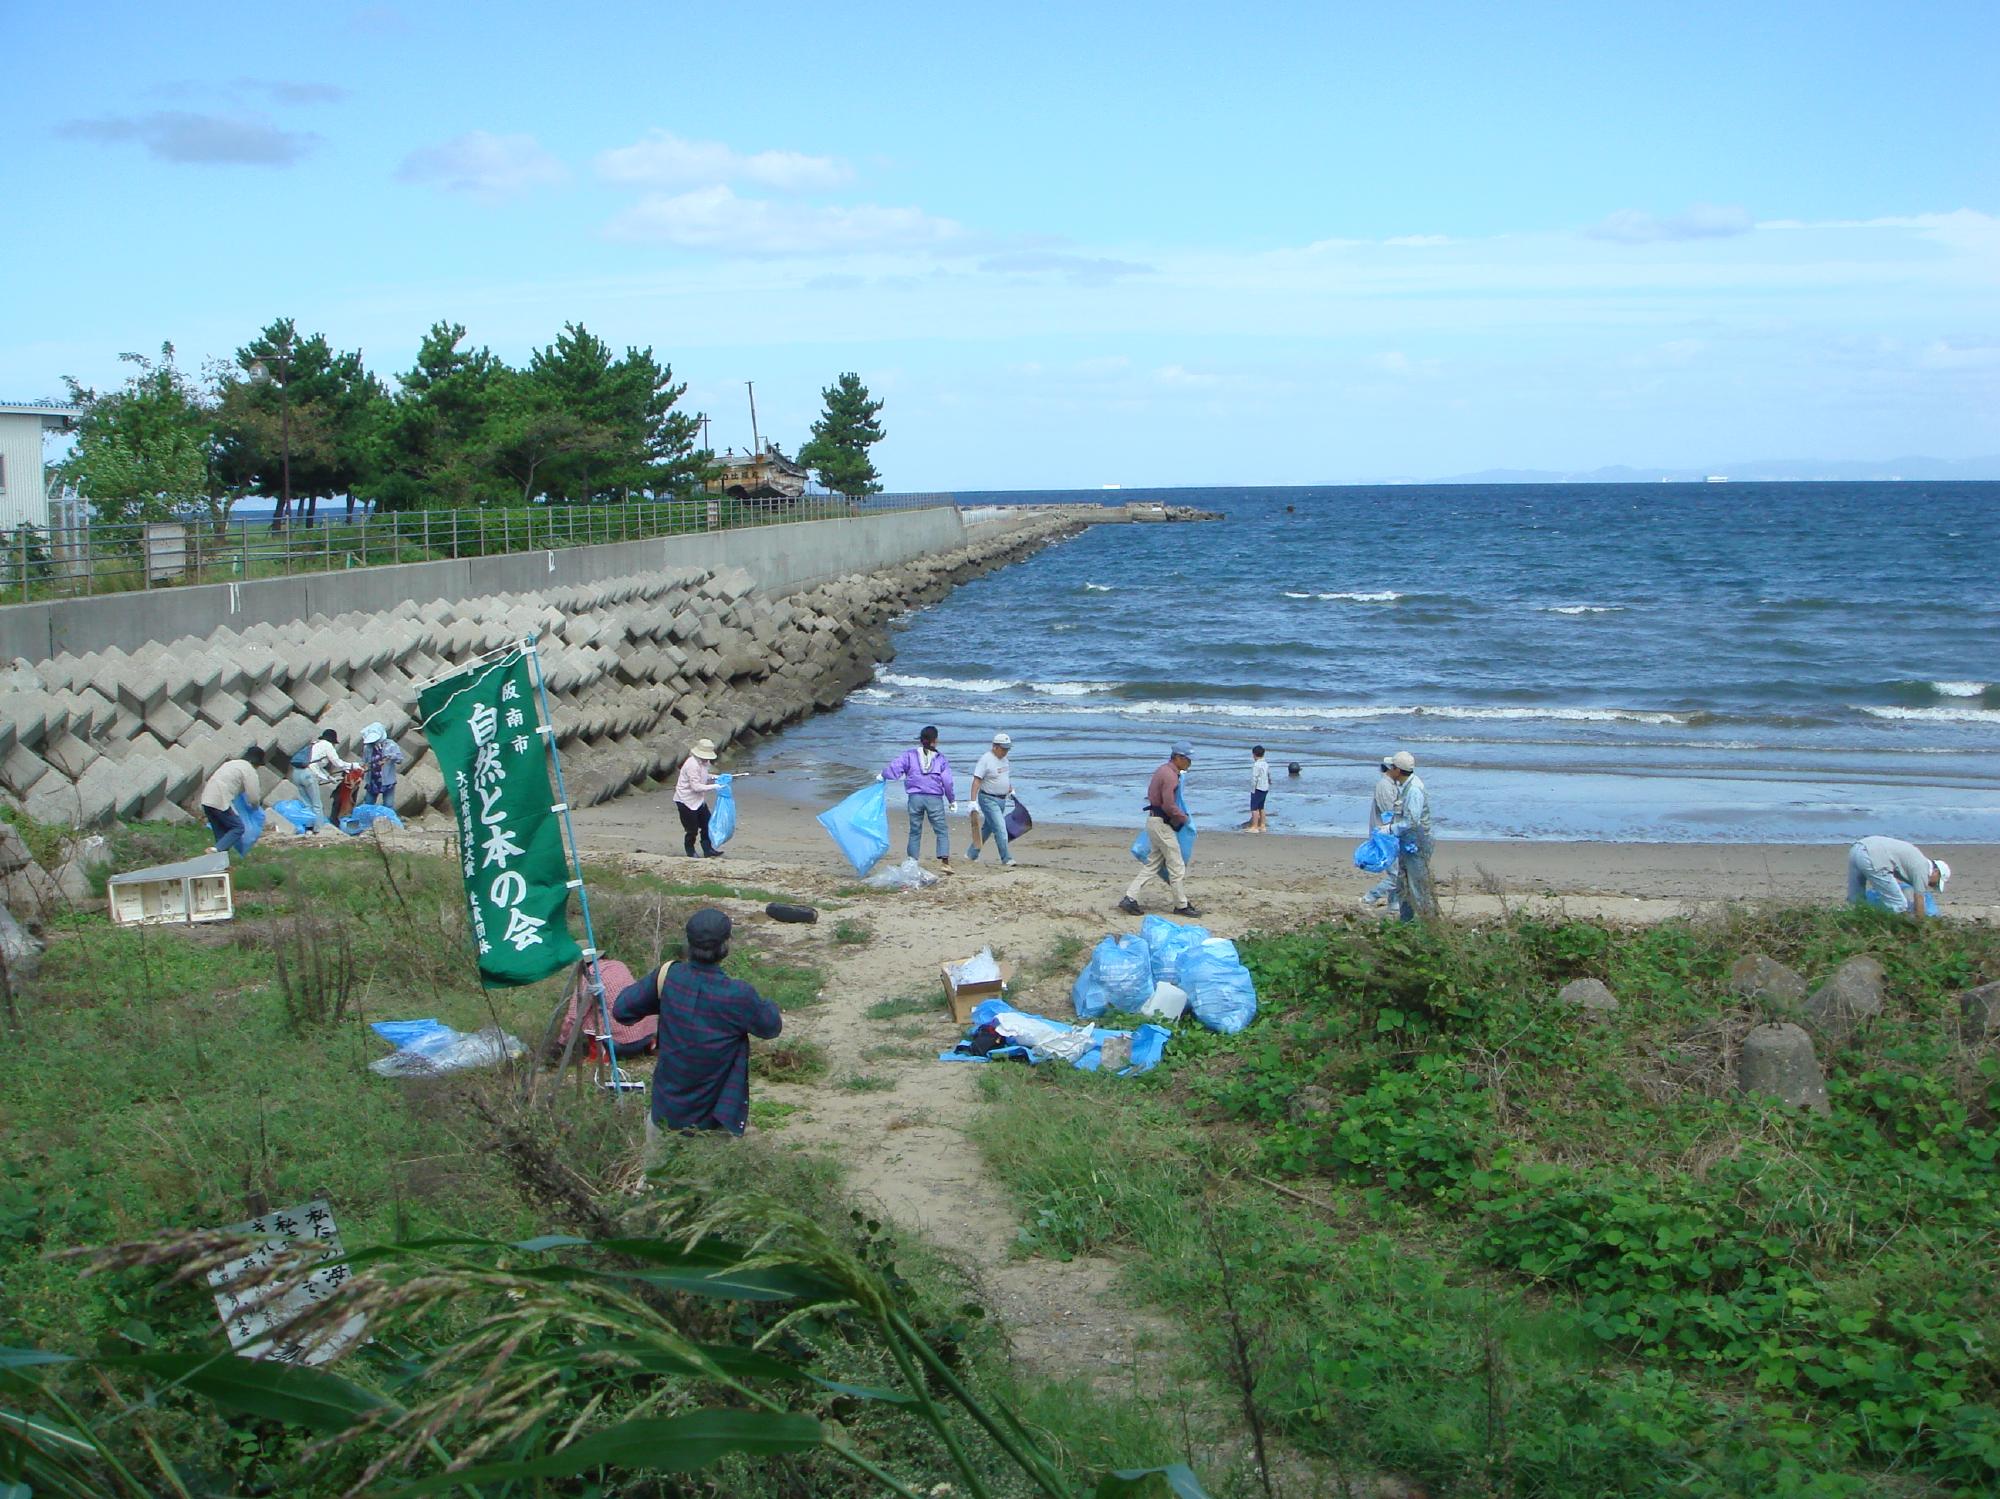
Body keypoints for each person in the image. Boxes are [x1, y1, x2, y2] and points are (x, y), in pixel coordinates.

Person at [612, 908, 782, 1141]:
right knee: (707, 1177)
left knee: (657, 1176)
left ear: (688, 943)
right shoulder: (739, 995)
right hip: (712, 1122)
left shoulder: (668, 976)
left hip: (665, 1113)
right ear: (726, 946)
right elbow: (771, 1027)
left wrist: (661, 1001)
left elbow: (622, 1010)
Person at [1119, 741, 1200, 918]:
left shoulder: (1163, 770)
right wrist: (1184, 819)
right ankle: (1181, 905)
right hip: (1162, 824)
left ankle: (1130, 897)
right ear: (1178, 757)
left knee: (1153, 864)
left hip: (1154, 822)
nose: (1189, 764)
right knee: (1176, 865)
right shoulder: (1170, 776)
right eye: (1187, 760)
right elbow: (1169, 804)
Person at [883, 725, 957, 873]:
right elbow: (947, 781)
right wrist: (951, 799)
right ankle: (945, 862)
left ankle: (912, 861)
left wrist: (884, 775)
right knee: (941, 830)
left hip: (915, 797)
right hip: (934, 798)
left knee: (915, 830)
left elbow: (896, 767)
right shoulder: (940, 759)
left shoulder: (910, 755)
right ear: (935, 741)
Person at [1384, 750, 1436, 921]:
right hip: (1407, 843)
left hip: (1417, 844)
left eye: (1391, 767)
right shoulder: (1405, 787)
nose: (1389, 770)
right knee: (1403, 885)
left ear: (1398, 770)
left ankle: (1428, 926)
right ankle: (1405, 923)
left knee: (1417, 887)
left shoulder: (1414, 790)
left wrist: (1390, 829)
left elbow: (1411, 821)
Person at [1846, 836, 1949, 921]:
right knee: (1899, 905)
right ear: (1936, 872)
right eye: (1936, 883)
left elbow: (1894, 875)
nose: (1932, 885)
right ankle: (1900, 930)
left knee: (1856, 898)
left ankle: (1852, 923)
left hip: (1857, 848)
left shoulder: (1915, 859)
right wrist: (1921, 924)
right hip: (1871, 856)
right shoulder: (1924, 869)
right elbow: (1919, 898)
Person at [199, 746, 266, 859]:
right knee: (238, 828)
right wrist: (255, 808)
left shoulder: (231, 764)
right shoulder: (249, 769)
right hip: (220, 800)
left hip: (207, 799)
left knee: (222, 835)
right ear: (256, 763)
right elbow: (253, 796)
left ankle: (218, 860)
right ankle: (216, 850)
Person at [966, 731, 1018, 868]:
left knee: (987, 829)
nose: (1006, 752)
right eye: (1003, 749)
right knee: (1000, 828)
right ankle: (1006, 858)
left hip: (1002, 799)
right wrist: (972, 802)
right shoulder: (986, 760)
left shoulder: (1005, 760)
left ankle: (971, 854)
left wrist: (1010, 790)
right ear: (995, 746)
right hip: (988, 799)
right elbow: (977, 781)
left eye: (1008, 749)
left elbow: (1003, 778)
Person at [294, 729, 354, 831]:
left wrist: (329, 777)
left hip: (296, 773)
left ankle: (309, 828)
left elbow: (317, 766)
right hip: (308, 775)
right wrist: (352, 765)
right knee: (317, 805)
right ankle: (319, 830)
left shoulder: (314, 745)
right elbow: (337, 763)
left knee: (307, 804)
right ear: (332, 741)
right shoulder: (327, 745)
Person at [1361, 756, 1401, 908]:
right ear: (1392, 769)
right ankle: (1369, 898)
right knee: (1396, 875)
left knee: (1396, 871)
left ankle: (1393, 906)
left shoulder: (1391, 785)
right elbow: (1388, 813)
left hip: (1389, 833)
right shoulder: (1384, 786)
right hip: (1385, 835)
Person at [674, 738, 723, 859]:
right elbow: (695, 786)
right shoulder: (692, 764)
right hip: (685, 800)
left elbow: (704, 776)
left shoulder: (704, 763)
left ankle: (708, 849)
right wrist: (715, 786)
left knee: (707, 824)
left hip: (699, 800)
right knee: (692, 829)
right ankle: (690, 851)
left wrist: (716, 778)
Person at [360, 723, 405, 809]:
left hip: (387, 780)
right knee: (368, 804)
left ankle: (387, 821)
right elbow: (364, 762)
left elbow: (400, 759)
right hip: (372, 780)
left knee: (388, 805)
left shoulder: (391, 745)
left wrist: (391, 757)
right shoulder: (368, 747)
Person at [1249, 745, 1271, 833]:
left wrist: (1252, 789)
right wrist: (1269, 781)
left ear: (1254, 755)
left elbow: (1254, 778)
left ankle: (1254, 826)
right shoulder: (1266, 764)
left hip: (1258, 788)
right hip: (1265, 788)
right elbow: (1268, 774)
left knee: (1254, 808)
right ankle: (1262, 825)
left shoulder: (1256, 765)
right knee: (1261, 807)